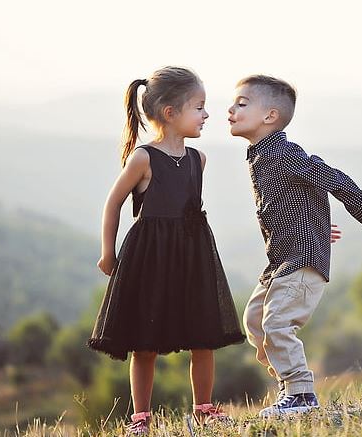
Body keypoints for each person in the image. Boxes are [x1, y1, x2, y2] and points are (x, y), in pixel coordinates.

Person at [227, 75, 362, 417]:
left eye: (242, 104)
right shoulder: (260, 156)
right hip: (280, 261)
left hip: (302, 262)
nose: (230, 109)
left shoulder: (286, 154)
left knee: (277, 324)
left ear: (270, 116)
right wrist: (315, 227)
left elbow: (333, 178)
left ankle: (302, 393)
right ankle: (290, 387)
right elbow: (292, 201)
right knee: (256, 323)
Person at [88, 66, 245, 434]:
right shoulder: (143, 159)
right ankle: (141, 417)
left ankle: (203, 409)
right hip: (150, 258)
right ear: (171, 113)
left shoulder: (198, 160)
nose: (207, 115)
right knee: (145, 342)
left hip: (192, 257)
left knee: (202, 335)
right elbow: (113, 204)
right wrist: (107, 253)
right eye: (199, 107)